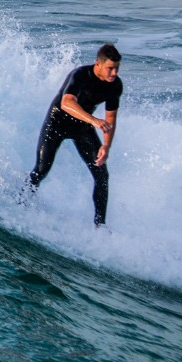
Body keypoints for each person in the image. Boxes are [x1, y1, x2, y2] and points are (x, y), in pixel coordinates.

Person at [27, 44, 123, 226]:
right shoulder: (80, 75)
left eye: (117, 68)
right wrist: (94, 121)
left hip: (82, 128)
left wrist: (106, 146)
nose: (114, 73)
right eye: (110, 68)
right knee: (41, 170)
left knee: (102, 177)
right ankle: (22, 200)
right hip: (57, 123)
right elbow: (66, 102)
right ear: (98, 64)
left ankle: (99, 226)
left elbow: (110, 117)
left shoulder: (115, 86)